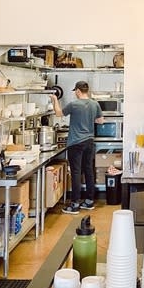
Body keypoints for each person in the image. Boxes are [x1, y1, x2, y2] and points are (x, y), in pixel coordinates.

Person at [50, 81, 104, 215]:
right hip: (89, 142)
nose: (75, 93)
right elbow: (100, 121)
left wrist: (55, 99)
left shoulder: (74, 105)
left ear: (79, 91)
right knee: (88, 171)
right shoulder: (94, 104)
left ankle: (74, 204)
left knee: (76, 173)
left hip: (75, 143)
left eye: (75, 91)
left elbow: (58, 113)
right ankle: (89, 201)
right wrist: (89, 118)